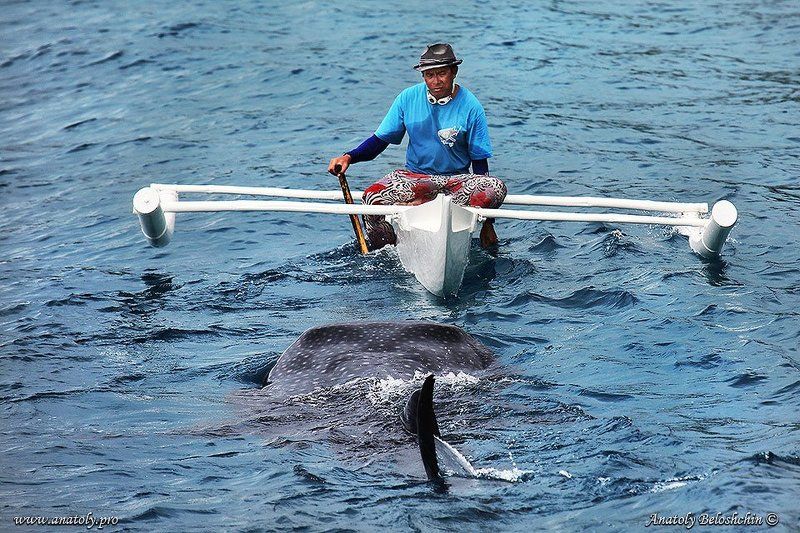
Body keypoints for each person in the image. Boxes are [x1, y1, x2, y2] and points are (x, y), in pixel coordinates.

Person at [327, 43, 506, 250]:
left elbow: (480, 164)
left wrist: (487, 223)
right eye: (430, 75)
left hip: (456, 181)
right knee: (371, 197)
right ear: (423, 77)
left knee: (496, 187)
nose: (436, 81)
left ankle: (423, 205)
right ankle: (385, 250)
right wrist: (349, 157)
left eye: (442, 74)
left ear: (454, 72)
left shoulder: (472, 106)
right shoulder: (407, 98)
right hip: (415, 178)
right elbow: (379, 141)